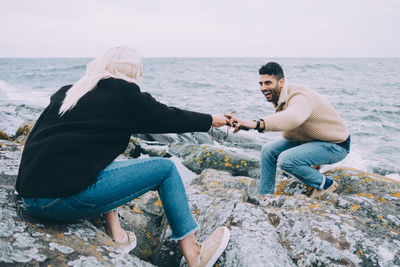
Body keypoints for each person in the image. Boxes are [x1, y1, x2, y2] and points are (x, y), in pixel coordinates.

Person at [15, 47, 231, 267]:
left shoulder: (70, 91)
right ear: (134, 72)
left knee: (101, 159)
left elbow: (36, 135)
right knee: (166, 170)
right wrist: (210, 119)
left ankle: (117, 235)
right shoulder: (123, 93)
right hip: (59, 201)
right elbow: (168, 117)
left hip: (31, 197)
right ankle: (195, 255)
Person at [229, 62, 350, 198]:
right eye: (261, 84)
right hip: (311, 140)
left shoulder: (300, 96)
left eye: (268, 83)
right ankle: (265, 196)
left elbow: (293, 117)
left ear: (281, 82)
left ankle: (327, 184)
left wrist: (257, 124)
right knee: (268, 150)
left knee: (287, 160)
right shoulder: (281, 97)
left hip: (336, 145)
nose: (263, 88)